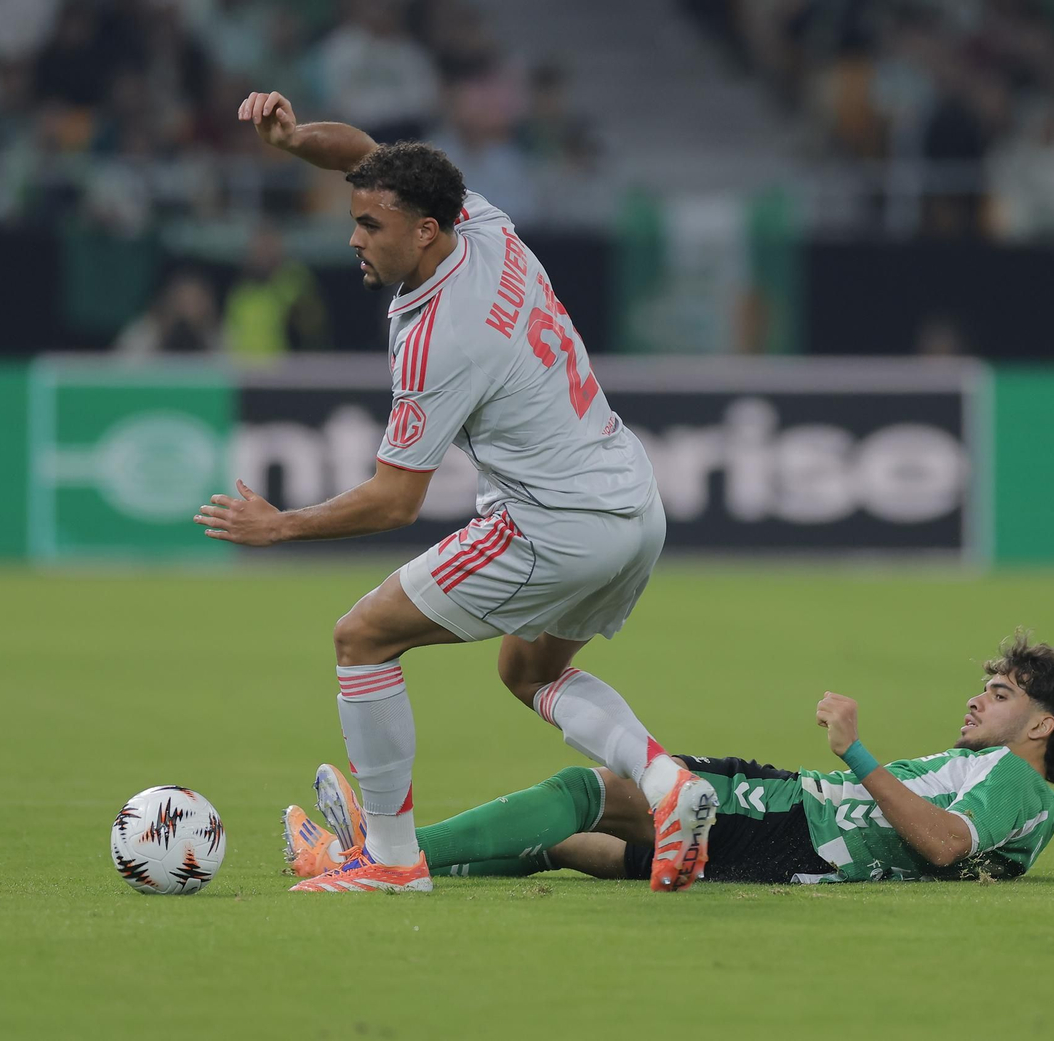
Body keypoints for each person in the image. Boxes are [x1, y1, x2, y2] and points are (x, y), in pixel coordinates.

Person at [195, 90, 716, 895]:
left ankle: (394, 860)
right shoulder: (480, 221)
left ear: (423, 231)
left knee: (362, 636)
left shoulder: (441, 339)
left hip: (552, 520)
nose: (353, 237)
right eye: (357, 219)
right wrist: (298, 139)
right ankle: (666, 782)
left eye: (370, 227)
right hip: (633, 503)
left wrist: (281, 527)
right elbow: (367, 159)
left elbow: (395, 500)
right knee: (528, 669)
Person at [285, 633, 1054, 885]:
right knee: (579, 845)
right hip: (793, 842)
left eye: (1000, 692)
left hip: (796, 818)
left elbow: (945, 843)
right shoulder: (1009, 790)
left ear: (1042, 725)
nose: (978, 698)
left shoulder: (1010, 781)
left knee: (592, 789)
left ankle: (379, 857)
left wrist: (856, 751)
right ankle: (392, 860)